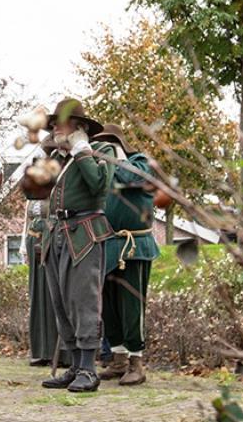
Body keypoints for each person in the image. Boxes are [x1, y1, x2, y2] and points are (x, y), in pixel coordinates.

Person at [39, 98, 115, 393]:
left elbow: (98, 184)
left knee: (84, 301)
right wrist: (53, 152)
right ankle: (74, 365)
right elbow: (37, 190)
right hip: (56, 232)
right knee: (61, 303)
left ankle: (88, 368)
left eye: (62, 122)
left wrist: (82, 149)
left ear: (79, 127)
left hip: (85, 232)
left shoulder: (101, 151)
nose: (56, 126)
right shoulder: (58, 157)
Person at [93, 124, 159, 386]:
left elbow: (134, 179)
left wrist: (116, 156)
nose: (105, 148)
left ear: (119, 143)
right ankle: (118, 359)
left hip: (135, 245)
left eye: (110, 142)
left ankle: (136, 362)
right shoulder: (104, 171)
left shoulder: (139, 161)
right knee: (109, 307)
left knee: (132, 306)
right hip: (108, 244)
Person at [23, 137, 68, 367]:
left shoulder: (61, 182)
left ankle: (61, 352)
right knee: (37, 295)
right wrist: (24, 244)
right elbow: (27, 218)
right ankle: (41, 349)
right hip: (34, 242)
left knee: (55, 296)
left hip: (54, 238)